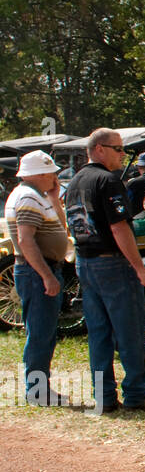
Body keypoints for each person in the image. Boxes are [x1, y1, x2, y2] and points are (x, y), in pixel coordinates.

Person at [63, 128, 145, 413]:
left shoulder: (75, 181)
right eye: (117, 148)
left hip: (86, 262)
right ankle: (135, 395)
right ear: (98, 149)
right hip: (112, 263)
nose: (122, 154)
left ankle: (104, 397)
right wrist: (140, 268)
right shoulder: (108, 181)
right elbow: (119, 227)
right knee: (130, 330)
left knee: (99, 333)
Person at [3, 151, 70, 406]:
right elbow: (25, 240)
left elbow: (61, 228)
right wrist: (46, 276)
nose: (55, 177)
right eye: (52, 172)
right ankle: (37, 390)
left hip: (41, 270)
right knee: (41, 333)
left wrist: (55, 200)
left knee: (44, 332)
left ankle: (40, 388)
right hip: (37, 272)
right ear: (40, 174)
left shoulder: (36, 196)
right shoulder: (28, 197)